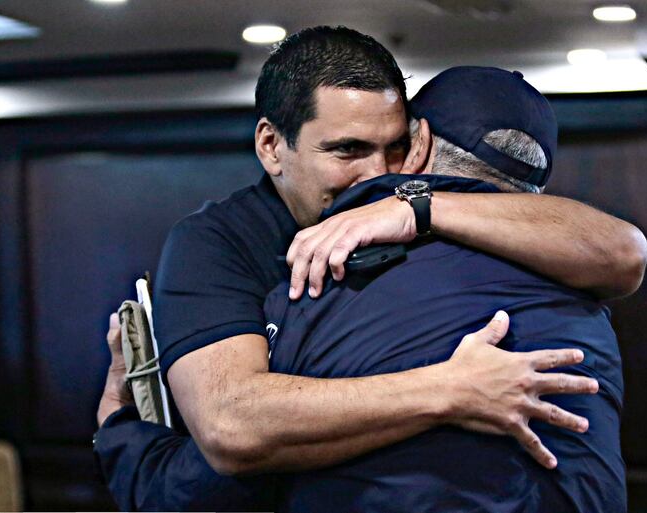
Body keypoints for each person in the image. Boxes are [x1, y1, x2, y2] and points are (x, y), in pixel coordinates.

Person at [94, 26, 646, 511]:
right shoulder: (217, 242)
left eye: (395, 148)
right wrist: (448, 390)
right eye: (347, 150)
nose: (376, 173)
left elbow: (623, 252)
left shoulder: (415, 201)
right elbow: (231, 429)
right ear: (271, 146)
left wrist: (417, 207)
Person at [264, 66, 626, 512]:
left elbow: (248, 442)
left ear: (420, 144)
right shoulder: (581, 289)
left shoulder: (325, 271)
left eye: (394, 145)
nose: (377, 169)